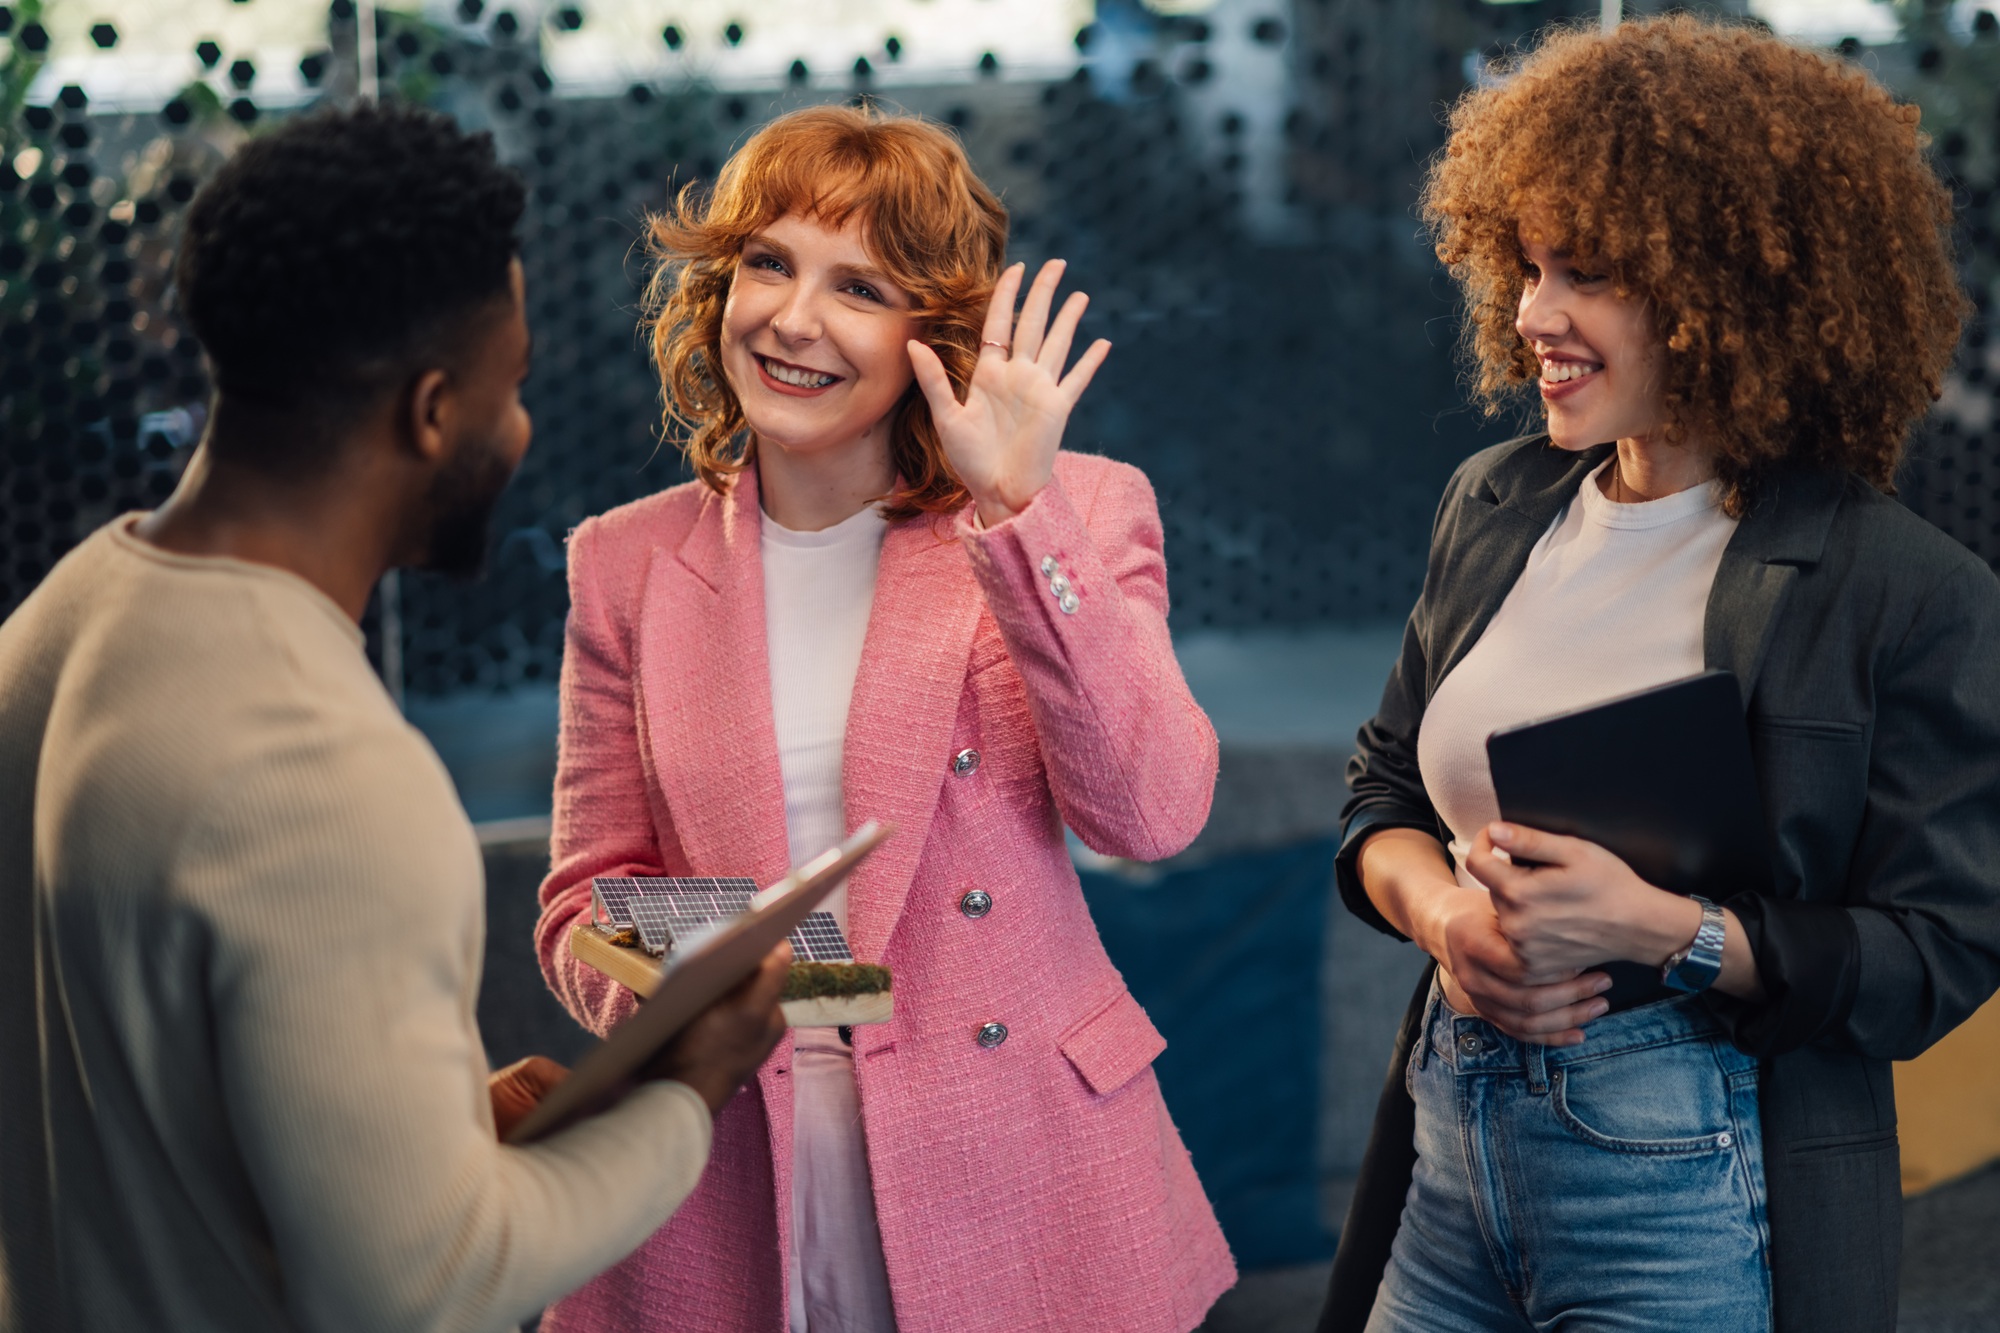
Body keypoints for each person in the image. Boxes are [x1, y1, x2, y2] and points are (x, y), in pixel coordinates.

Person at [0, 102, 791, 1332]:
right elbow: (429, 1285)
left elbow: (139, 1097)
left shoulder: (53, 628)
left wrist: (423, 1136)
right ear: (433, 412)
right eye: (512, 384)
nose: (519, 425)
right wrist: (680, 1090)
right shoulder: (327, 771)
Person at [1314, 16, 2000, 1333]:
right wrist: (1444, 919)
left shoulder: (1902, 590)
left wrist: (1662, 929)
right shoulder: (1495, 502)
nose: (1532, 316)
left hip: (1689, 1169)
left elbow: (1940, 955)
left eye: (1590, 274)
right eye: (1524, 264)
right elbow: (1383, 790)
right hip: (1452, 1136)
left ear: (1728, 292)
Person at [534, 104, 1235, 1332]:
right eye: (767, 262)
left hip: (1020, 1168)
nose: (793, 320)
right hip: (724, 1163)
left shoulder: (1068, 508)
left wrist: (1015, 511)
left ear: (932, 332)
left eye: (857, 286)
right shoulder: (625, 562)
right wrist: (762, 959)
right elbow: (583, 903)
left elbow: (1151, 810)